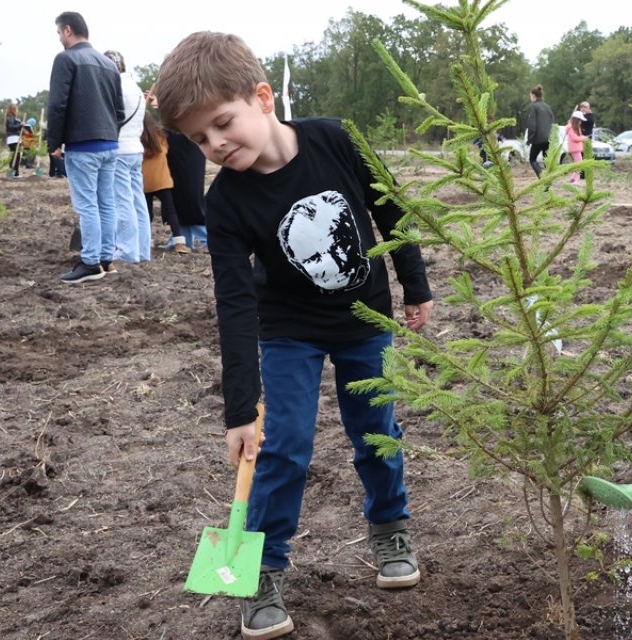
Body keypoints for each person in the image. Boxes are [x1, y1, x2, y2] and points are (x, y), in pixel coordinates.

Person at [154, 30, 436, 640]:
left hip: (365, 319)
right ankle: (261, 571)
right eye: (199, 139)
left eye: (222, 124)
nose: (214, 145)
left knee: (376, 431)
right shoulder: (225, 205)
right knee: (282, 447)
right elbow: (234, 306)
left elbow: (390, 209)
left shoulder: (336, 139)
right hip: (288, 331)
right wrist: (238, 410)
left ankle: (390, 530)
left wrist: (415, 287)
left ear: (262, 98)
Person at [47, 11, 125, 283]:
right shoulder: (108, 64)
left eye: (58, 32)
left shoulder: (66, 59)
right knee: (106, 203)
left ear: (67, 30)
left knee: (88, 205)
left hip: (83, 146)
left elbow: (57, 104)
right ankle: (106, 259)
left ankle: (90, 262)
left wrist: (54, 142)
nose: (58, 38)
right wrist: (110, 134)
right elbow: (119, 110)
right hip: (109, 145)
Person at [104, 49, 153, 264]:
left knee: (122, 201)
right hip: (135, 148)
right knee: (138, 201)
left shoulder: (115, 88)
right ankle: (142, 250)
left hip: (120, 149)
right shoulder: (133, 86)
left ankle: (126, 250)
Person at [139, 110, 189, 255]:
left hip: (144, 183)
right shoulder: (161, 137)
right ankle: (179, 243)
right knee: (171, 211)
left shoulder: (137, 140)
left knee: (146, 213)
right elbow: (166, 151)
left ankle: (146, 242)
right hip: (162, 180)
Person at [165, 130, 208, 251]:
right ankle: (183, 239)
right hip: (183, 143)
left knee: (189, 197)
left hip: (184, 143)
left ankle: (210, 238)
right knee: (182, 197)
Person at [524, 84, 553, 178]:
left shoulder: (534, 107)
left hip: (538, 138)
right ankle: (548, 180)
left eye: (530, 96)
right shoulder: (547, 107)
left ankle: (542, 177)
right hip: (548, 137)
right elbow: (552, 121)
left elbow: (532, 125)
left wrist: (529, 139)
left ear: (533, 95)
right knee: (547, 161)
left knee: (532, 159)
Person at [564, 110, 587, 184]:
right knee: (579, 165)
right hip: (575, 149)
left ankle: (573, 179)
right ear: (576, 120)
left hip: (576, 149)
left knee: (577, 165)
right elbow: (575, 138)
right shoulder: (571, 128)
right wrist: (583, 138)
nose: (581, 122)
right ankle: (576, 181)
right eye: (580, 120)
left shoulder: (575, 128)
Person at [5, 104, 24, 177]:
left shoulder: (13, 118)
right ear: (13, 110)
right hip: (13, 139)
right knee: (15, 156)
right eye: (16, 109)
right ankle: (14, 173)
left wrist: (19, 123)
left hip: (14, 139)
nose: (17, 111)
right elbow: (11, 127)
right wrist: (20, 125)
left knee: (15, 156)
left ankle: (14, 172)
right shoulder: (10, 118)